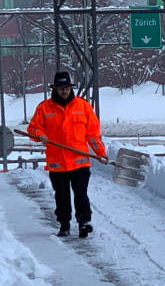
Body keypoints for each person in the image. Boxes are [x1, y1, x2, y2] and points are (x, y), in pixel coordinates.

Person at [28, 71, 109, 238]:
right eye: (60, 88)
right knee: (62, 196)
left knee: (81, 194)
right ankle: (64, 224)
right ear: (55, 89)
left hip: (79, 162)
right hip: (57, 163)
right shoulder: (44, 108)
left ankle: (84, 223)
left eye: (66, 87)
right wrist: (39, 134)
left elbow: (92, 134)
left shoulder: (83, 106)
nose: (64, 91)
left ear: (71, 88)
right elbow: (33, 129)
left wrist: (100, 152)